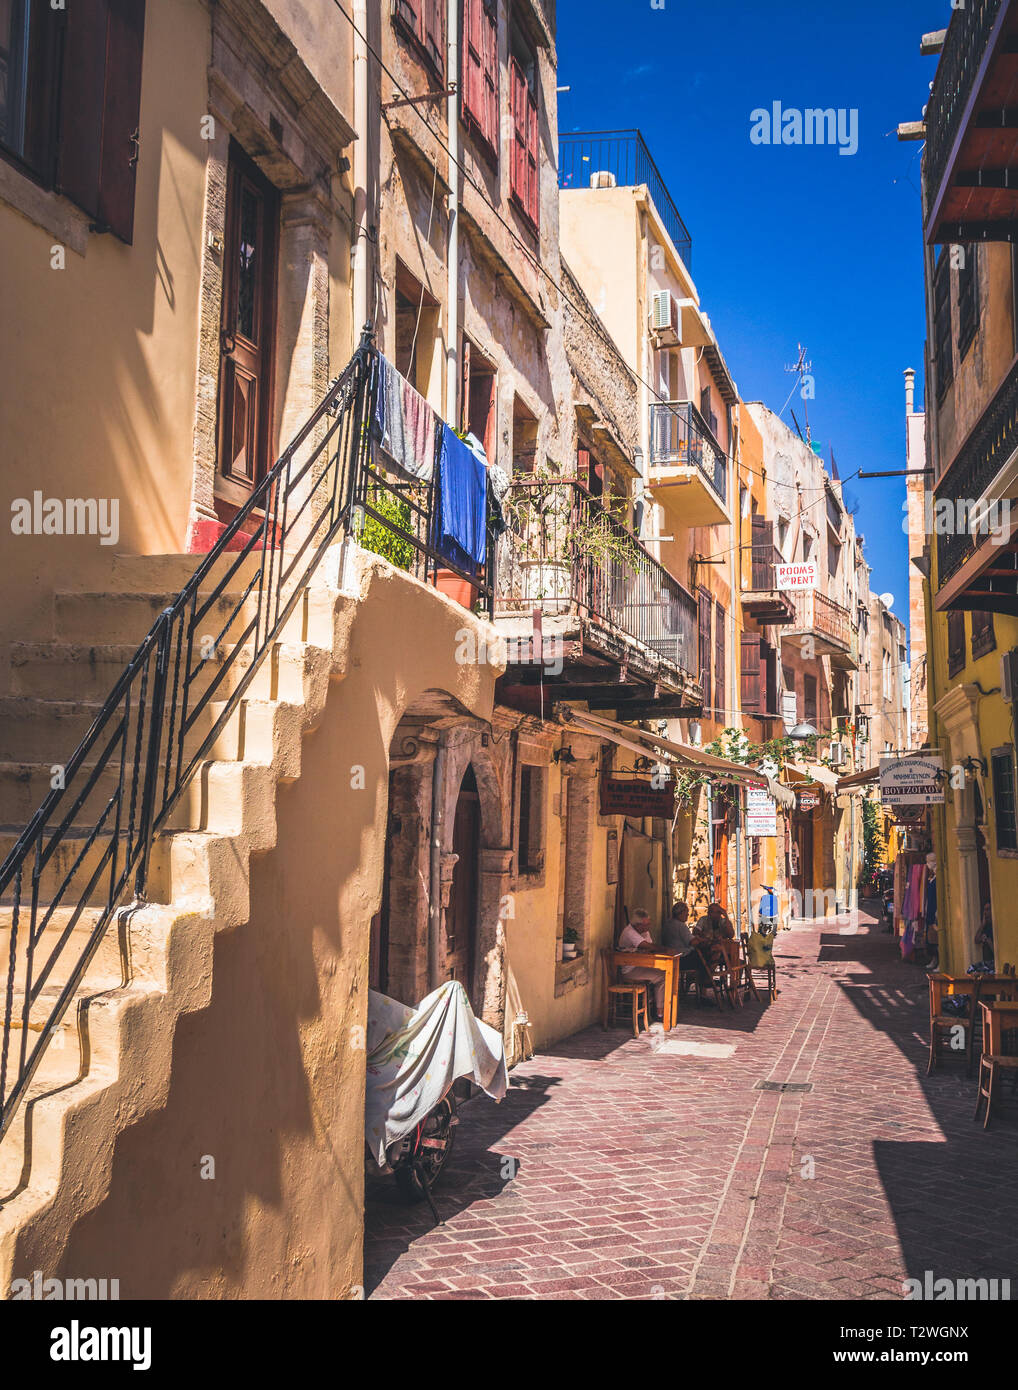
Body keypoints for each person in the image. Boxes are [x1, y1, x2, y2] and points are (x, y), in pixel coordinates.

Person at [618, 908, 666, 1018]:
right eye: (646, 925)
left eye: (649, 924)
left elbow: (651, 948)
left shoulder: (644, 931)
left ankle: (655, 1003)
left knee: (663, 971)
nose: (648, 927)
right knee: (663, 976)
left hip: (641, 966)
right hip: (630, 970)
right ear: (638, 925)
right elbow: (648, 946)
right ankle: (660, 1012)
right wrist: (665, 949)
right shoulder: (630, 932)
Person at [663, 901, 712, 989]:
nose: (687, 915)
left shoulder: (668, 923)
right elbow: (693, 942)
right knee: (706, 955)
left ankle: (699, 979)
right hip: (681, 958)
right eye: (686, 912)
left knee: (702, 954)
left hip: (674, 956)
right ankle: (703, 981)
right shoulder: (680, 925)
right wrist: (703, 940)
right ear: (680, 913)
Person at [694, 901, 736, 969]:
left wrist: (726, 916)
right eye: (710, 912)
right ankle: (709, 974)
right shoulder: (703, 920)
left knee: (736, 960)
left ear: (719, 913)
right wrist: (705, 936)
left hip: (723, 951)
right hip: (707, 950)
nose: (710, 914)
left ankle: (710, 973)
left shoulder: (724, 921)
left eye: (713, 912)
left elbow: (731, 935)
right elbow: (695, 931)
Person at [975, 902, 994, 967]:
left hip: (994, 962)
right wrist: (982, 925)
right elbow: (976, 940)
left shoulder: (995, 928)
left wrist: (989, 943)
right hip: (986, 962)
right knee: (971, 970)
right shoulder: (986, 927)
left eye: (987, 909)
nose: (985, 913)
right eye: (984, 910)